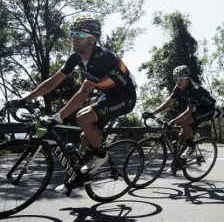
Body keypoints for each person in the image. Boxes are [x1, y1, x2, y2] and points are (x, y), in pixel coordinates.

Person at [5, 17, 137, 193]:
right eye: (73, 33)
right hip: (110, 95)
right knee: (85, 136)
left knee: (83, 116)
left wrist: (57, 117)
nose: (74, 37)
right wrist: (25, 99)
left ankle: (101, 155)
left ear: (93, 39)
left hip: (125, 98)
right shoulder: (76, 57)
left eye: (80, 34)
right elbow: (54, 81)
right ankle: (77, 175)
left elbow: (83, 93)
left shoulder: (102, 58)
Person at [143, 65, 216, 162]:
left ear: (187, 78)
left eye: (181, 78)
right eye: (176, 78)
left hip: (207, 109)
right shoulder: (178, 87)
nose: (178, 81)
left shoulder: (195, 89)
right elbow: (168, 103)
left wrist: (172, 122)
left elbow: (188, 111)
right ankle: (179, 161)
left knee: (184, 120)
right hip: (197, 108)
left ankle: (191, 146)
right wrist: (153, 113)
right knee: (181, 136)